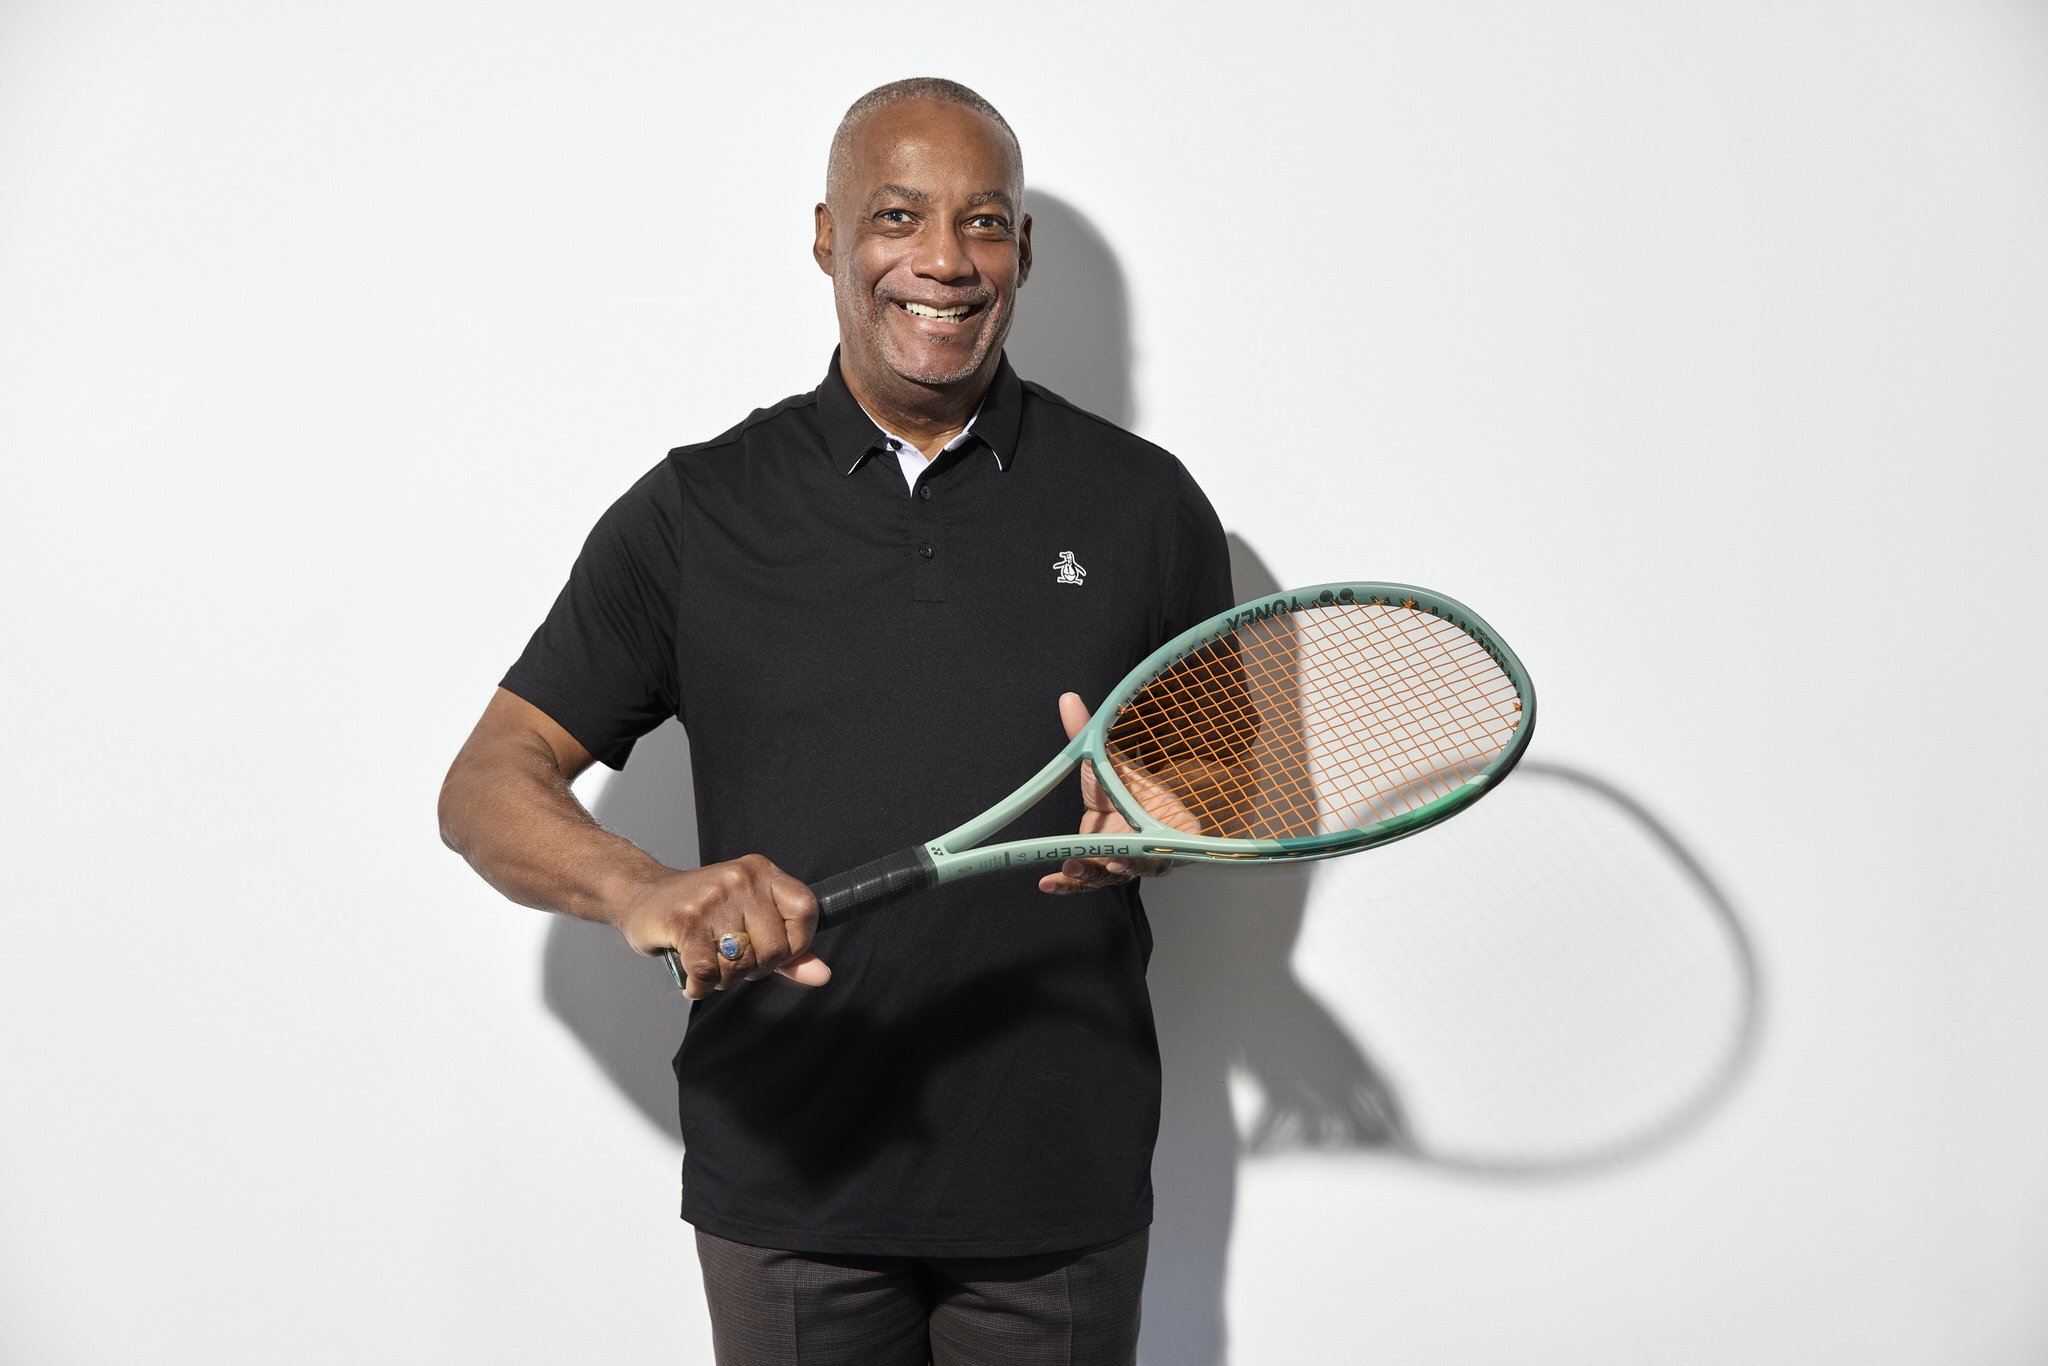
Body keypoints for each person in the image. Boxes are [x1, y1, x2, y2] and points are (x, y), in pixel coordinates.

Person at [438, 77, 1232, 1366]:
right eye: (898, 216)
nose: (941, 261)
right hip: (791, 1186)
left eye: (984, 223)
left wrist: (1185, 818)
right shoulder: (699, 513)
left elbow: (1232, 775)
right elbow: (487, 782)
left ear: (1021, 252)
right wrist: (640, 887)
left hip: (1058, 1187)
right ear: (825, 237)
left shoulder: (1145, 507)